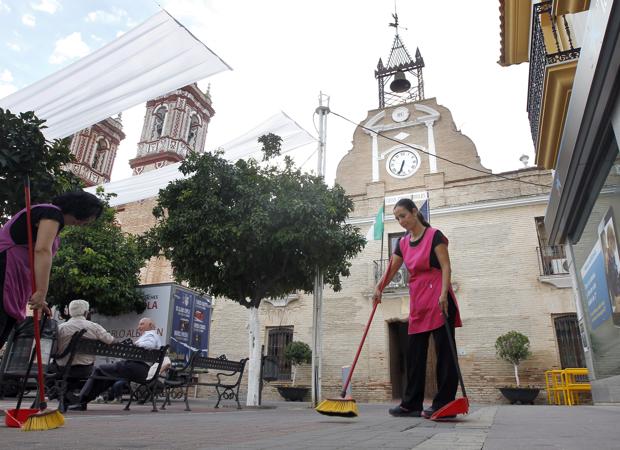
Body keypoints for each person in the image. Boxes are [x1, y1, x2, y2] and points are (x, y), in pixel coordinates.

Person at [373, 198, 462, 419]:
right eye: (397, 218)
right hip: (419, 297)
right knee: (415, 352)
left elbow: (445, 266)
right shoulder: (402, 243)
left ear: (414, 212)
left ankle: (444, 403)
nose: (400, 221)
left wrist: (443, 294)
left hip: (439, 296)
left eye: (403, 215)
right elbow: (392, 269)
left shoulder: (435, 236)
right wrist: (379, 287)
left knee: (444, 353)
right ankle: (411, 404)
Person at [0, 191, 104, 349]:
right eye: (90, 217)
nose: (87, 223)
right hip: (5, 271)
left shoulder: (54, 224)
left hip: (14, 281)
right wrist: (41, 291)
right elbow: (42, 251)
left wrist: (37, 296)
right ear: (81, 210)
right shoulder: (52, 213)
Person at [69, 318, 162, 411]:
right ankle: (83, 401)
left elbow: (149, 344)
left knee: (99, 369)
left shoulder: (151, 335)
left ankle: (80, 401)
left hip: (135, 367)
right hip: (139, 369)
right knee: (108, 377)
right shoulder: (152, 335)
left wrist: (135, 345)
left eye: (142, 324)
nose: (138, 327)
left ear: (150, 325)